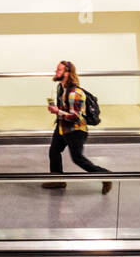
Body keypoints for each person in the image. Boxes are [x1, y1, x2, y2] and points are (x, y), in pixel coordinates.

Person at [43, 60, 112, 193]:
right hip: (62, 127)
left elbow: (75, 117)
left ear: (67, 73)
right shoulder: (60, 88)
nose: (55, 72)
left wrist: (57, 111)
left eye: (59, 70)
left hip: (75, 131)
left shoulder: (75, 93)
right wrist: (57, 109)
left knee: (77, 159)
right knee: (54, 151)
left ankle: (105, 175)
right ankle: (58, 180)